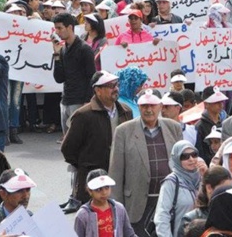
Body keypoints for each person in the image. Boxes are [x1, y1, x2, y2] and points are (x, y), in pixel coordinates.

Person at [109, 91, 183, 235]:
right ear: (138, 107)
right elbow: (116, 172)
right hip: (137, 203)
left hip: (169, 200)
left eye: (153, 105)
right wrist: (116, 208)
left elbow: (181, 165)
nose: (149, 109)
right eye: (144, 106)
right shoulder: (123, 131)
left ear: (160, 106)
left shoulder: (174, 128)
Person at [61, 71, 133, 214]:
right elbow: (68, 149)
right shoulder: (83, 115)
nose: (115, 89)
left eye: (116, 85)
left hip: (120, 178)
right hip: (93, 180)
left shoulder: (126, 111)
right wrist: (85, 164)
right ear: (98, 90)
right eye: (110, 86)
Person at [53, 12, 97, 138]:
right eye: (56, 28)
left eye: (60, 28)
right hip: (66, 100)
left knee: (80, 140)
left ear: (70, 27)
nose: (57, 32)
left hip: (79, 102)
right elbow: (59, 78)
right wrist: (56, 56)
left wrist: (87, 103)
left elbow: (92, 77)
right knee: (68, 142)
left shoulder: (85, 49)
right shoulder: (63, 50)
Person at [154, 141, 203, 237]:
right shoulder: (171, 182)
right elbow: (162, 216)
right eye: (185, 156)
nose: (191, 159)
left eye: (194, 154)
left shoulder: (202, 178)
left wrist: (206, 175)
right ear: (176, 159)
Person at [74, 169, 137, 237]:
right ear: (89, 190)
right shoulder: (82, 215)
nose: (104, 193)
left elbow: (129, 234)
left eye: (107, 188)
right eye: (98, 189)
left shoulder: (119, 209)